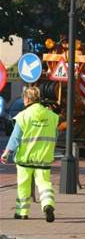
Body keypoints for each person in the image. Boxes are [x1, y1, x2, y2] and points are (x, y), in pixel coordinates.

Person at [0, 86, 58, 222]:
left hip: (25, 158)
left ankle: (22, 212)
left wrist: (6, 152)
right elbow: (56, 134)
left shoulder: (23, 116)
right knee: (44, 184)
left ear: (26, 99)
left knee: (23, 185)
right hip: (44, 157)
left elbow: (15, 137)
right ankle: (48, 204)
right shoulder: (52, 116)